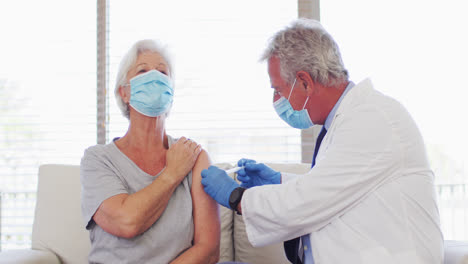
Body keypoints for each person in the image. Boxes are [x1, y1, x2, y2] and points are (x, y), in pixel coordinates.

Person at [201, 19, 443, 264]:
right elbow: (334, 186)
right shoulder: (348, 121)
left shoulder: (372, 119)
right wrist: (278, 181)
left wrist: (235, 197)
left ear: (305, 82)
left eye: (278, 90)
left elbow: (307, 201)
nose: (276, 100)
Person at [80, 39, 220, 264]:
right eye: (142, 70)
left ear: (171, 91)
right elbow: (127, 222)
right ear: (124, 93)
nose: (154, 77)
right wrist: (172, 173)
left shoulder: (194, 157)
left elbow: (208, 249)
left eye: (162, 72)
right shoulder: (98, 159)